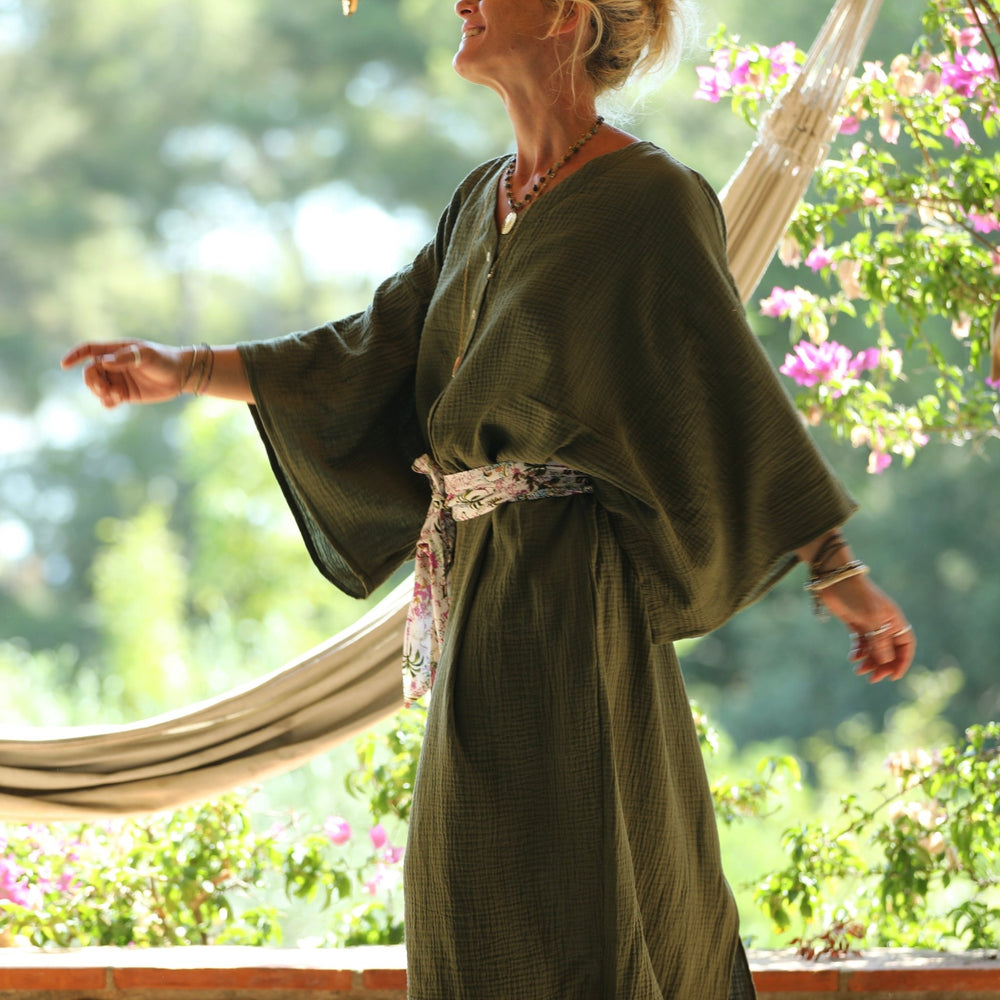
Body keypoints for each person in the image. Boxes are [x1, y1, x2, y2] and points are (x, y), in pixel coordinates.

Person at [63, 0, 916, 996]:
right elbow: (372, 351)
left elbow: (725, 385)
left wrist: (834, 565)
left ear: (564, 15)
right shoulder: (482, 199)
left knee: (579, 897)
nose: (460, 2)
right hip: (478, 592)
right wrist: (187, 368)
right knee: (466, 900)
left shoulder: (649, 200)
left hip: (573, 600)